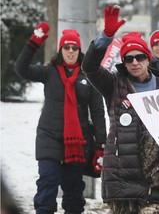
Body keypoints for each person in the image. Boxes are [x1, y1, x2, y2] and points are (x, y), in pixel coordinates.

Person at [82, 5, 159, 214]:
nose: (135, 62)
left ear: (147, 59)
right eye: (128, 58)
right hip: (121, 180)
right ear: (123, 63)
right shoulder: (114, 85)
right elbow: (89, 67)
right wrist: (105, 37)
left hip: (156, 181)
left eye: (140, 57)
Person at [15, 22, 107, 214]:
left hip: (77, 142)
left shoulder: (89, 75)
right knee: (48, 183)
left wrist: (100, 145)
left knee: (73, 192)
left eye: (75, 48)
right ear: (61, 49)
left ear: (79, 50)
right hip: (49, 137)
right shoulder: (49, 72)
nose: (71, 51)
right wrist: (34, 43)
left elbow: (98, 112)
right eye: (67, 47)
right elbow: (21, 68)